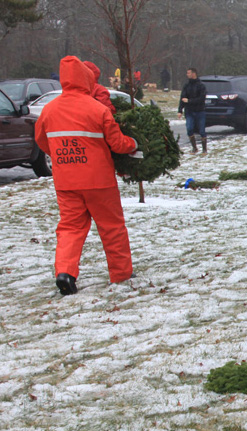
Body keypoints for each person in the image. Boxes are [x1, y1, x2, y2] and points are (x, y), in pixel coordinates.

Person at [35, 56, 139, 296]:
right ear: (86, 79)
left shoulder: (49, 110)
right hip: (99, 181)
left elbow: (43, 142)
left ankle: (65, 273)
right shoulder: (97, 108)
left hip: (66, 182)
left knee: (70, 228)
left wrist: (63, 158)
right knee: (111, 226)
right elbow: (117, 143)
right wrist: (133, 143)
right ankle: (121, 272)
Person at [177, 68, 207, 154]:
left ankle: (204, 149)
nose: (187, 74)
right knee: (189, 129)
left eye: (189, 73)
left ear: (194, 74)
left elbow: (201, 99)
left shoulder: (201, 86)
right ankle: (194, 148)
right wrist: (180, 110)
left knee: (202, 130)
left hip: (200, 111)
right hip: (189, 111)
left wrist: (190, 101)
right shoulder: (186, 86)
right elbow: (182, 98)